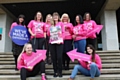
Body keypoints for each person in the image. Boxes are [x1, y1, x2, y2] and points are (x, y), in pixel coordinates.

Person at [47, 12, 64, 77]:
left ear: (58, 17)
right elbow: (48, 34)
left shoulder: (61, 24)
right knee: (53, 58)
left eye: (56, 16)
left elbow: (63, 32)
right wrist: (49, 29)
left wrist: (61, 40)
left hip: (59, 42)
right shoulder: (50, 25)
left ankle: (60, 71)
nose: (55, 17)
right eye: (54, 16)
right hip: (52, 43)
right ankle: (55, 71)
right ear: (52, 18)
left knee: (59, 57)